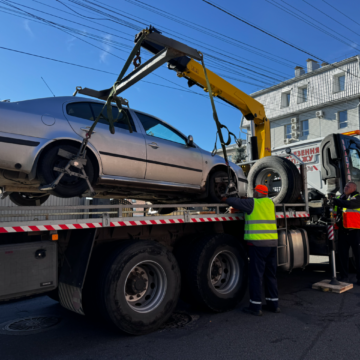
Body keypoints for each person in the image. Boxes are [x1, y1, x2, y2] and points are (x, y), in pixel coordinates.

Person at [222, 184, 279, 316]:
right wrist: (245, 198)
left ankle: (255, 306)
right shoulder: (270, 203)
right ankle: (274, 305)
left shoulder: (252, 203)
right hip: (272, 244)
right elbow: (247, 201)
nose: (253, 193)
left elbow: (234, 202)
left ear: (258, 193)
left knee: (256, 276)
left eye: (254, 192)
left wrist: (225, 199)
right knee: (270, 275)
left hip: (258, 245)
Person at [333, 181, 360, 285]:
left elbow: (349, 204)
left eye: (348, 186)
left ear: (354, 188)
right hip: (343, 231)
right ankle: (344, 277)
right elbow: (336, 213)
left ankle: (359, 278)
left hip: (355, 231)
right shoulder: (341, 198)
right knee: (342, 256)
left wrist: (335, 201)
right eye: (345, 186)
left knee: (358, 256)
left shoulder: (357, 197)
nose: (346, 187)